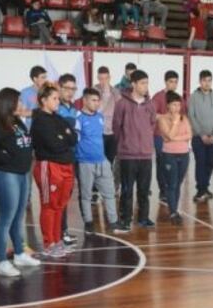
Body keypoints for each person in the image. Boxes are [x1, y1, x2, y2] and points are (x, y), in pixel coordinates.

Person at [0, 88, 41, 278]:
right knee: (6, 218)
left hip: (22, 174)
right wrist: (5, 158)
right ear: (9, 103)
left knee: (18, 217)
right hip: (6, 175)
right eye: (19, 101)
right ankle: (1, 261)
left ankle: (19, 253)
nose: (22, 105)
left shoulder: (16, 121)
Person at [31, 83, 77, 258]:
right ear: (44, 100)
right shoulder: (40, 121)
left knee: (60, 205)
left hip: (66, 166)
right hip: (49, 167)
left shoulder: (58, 118)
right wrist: (63, 136)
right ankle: (49, 243)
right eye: (55, 98)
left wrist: (63, 136)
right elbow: (54, 144)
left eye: (58, 98)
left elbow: (73, 138)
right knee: (49, 206)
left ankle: (57, 241)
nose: (58, 101)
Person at [113, 69, 157, 230]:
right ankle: (125, 218)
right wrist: (125, 143)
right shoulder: (122, 104)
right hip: (128, 155)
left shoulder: (150, 104)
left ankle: (144, 218)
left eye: (147, 83)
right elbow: (116, 127)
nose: (146, 86)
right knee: (127, 190)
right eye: (143, 83)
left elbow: (152, 124)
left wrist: (146, 142)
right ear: (133, 84)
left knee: (144, 190)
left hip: (145, 154)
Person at [75, 87, 118, 234]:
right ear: (85, 100)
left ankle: (113, 221)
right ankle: (88, 222)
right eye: (93, 100)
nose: (97, 103)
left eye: (98, 100)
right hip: (85, 163)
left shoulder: (100, 116)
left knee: (110, 192)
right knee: (86, 195)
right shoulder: (78, 118)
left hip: (102, 161)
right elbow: (75, 141)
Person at [188, 69, 213, 203]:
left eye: (209, 80)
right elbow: (192, 117)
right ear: (200, 81)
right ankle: (200, 190)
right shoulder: (193, 97)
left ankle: (205, 187)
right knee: (200, 163)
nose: (207, 83)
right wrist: (201, 134)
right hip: (198, 137)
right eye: (204, 80)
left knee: (210, 163)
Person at [156, 92, 191, 224]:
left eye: (179, 104)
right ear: (168, 106)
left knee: (178, 184)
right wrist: (175, 123)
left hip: (184, 154)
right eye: (174, 105)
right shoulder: (163, 119)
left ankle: (175, 209)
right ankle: (173, 212)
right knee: (172, 184)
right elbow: (168, 135)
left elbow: (189, 134)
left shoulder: (185, 118)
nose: (177, 108)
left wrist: (174, 138)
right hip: (169, 154)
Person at [152, 70, 182, 207]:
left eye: (176, 82)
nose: (173, 84)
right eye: (171, 81)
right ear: (165, 82)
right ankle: (163, 191)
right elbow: (152, 115)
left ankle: (171, 189)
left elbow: (182, 116)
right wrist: (167, 117)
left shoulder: (178, 98)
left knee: (173, 164)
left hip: (175, 136)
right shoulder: (158, 97)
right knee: (162, 163)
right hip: (160, 136)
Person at [56, 73, 80, 245]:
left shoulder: (74, 109)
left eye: (73, 89)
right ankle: (55, 234)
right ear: (59, 87)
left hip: (71, 157)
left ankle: (62, 230)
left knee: (66, 197)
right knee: (56, 198)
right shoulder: (55, 107)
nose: (71, 92)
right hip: (57, 158)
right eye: (67, 88)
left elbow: (74, 133)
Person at [94, 66, 119, 166]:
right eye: (101, 79)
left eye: (106, 78)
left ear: (109, 78)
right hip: (98, 131)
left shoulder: (116, 92)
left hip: (112, 132)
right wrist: (105, 94)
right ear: (97, 78)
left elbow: (119, 111)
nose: (103, 81)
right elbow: (96, 110)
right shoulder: (94, 91)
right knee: (99, 160)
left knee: (110, 160)